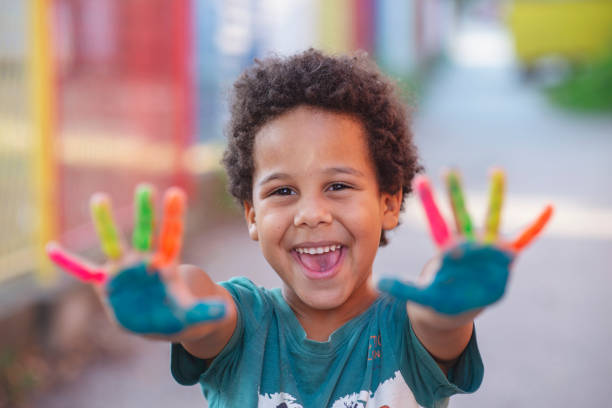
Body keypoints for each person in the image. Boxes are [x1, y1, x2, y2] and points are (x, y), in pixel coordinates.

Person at [47, 49, 552, 408]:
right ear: (250, 215)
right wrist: (173, 304)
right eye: (282, 192)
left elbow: (439, 322)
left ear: (390, 203)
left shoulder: (409, 327)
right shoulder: (244, 324)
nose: (311, 213)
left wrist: (457, 301)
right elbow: (203, 309)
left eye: (337, 186)